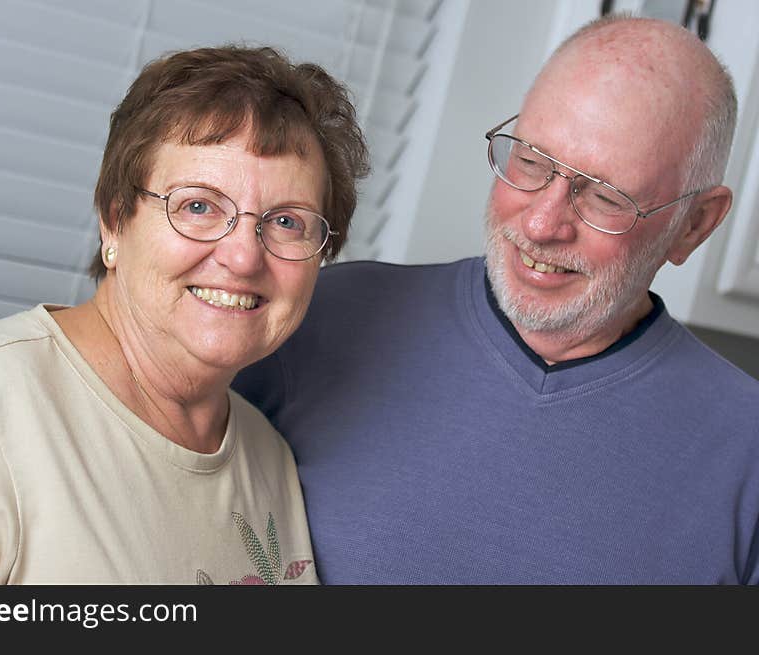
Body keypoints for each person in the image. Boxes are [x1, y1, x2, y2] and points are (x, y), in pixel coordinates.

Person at [234, 15, 759, 584]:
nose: (540, 223)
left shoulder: (745, 455)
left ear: (694, 226)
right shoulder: (317, 315)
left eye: (608, 198)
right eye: (530, 162)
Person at [0, 46, 369, 584]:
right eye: (199, 206)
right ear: (115, 222)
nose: (243, 256)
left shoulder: (268, 458)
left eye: (286, 222)